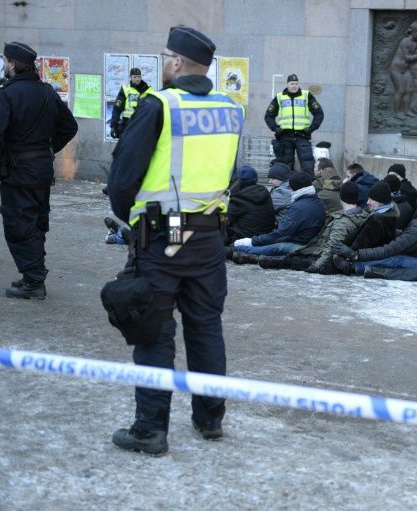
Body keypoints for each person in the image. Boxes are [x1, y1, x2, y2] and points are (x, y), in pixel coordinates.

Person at [108, 26, 245, 454]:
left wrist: (132, 217)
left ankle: (150, 430)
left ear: (176, 63)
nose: (164, 62)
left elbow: (123, 179)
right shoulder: (229, 107)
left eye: (165, 56)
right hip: (207, 236)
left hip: (162, 236)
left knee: (155, 333)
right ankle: (210, 420)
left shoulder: (159, 105)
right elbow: (235, 174)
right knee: (206, 329)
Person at [0, 42, 78, 299]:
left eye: (6, 61)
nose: (5, 65)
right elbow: (70, 127)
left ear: (12, 64)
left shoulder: (5, 94)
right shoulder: (47, 92)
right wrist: (47, 150)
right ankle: (33, 276)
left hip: (17, 171)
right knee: (36, 221)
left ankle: (33, 282)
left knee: (18, 223)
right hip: (41, 169)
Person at [331, 187, 417, 275]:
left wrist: (356, 255)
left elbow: (390, 249)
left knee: (395, 260)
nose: (367, 202)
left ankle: (353, 267)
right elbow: (407, 236)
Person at [229, 172, 325, 261]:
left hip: (296, 244)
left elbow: (281, 234)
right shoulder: (317, 202)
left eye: (289, 187)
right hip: (307, 241)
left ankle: (233, 249)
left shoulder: (298, 208)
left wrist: (252, 241)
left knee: (247, 249)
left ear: (293, 188)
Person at [264, 74, 324, 176]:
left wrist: (311, 128)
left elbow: (319, 114)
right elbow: (268, 116)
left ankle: (307, 187)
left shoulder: (306, 95)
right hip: (285, 136)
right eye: (292, 84)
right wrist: (275, 128)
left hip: (302, 135)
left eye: (296, 83)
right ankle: (286, 188)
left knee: (307, 165)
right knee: (286, 165)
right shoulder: (279, 97)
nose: (294, 86)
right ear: (287, 84)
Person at [225, 165, 276, 244]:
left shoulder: (240, 199)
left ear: (238, 182)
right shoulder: (264, 193)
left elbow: (226, 220)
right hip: (265, 237)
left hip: (243, 239)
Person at [389, 20, 417, 119]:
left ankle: (406, 111)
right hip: (396, 69)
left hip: (405, 69)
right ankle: (397, 113)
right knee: (400, 90)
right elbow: (408, 57)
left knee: (409, 90)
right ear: (414, 32)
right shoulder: (405, 41)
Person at [109, 67, 152, 139]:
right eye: (135, 77)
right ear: (130, 77)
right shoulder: (125, 90)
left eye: (139, 77)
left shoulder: (149, 90)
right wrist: (113, 126)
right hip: (127, 124)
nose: (137, 79)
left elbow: (153, 110)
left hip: (143, 124)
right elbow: (117, 109)